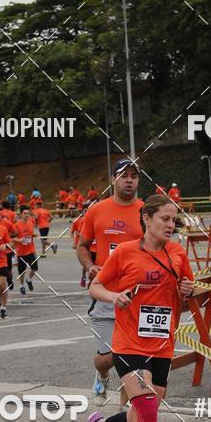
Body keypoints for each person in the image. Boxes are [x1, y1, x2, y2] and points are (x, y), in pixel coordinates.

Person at [84, 194, 195, 422]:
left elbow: (186, 301)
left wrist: (188, 293)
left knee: (140, 417)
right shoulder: (126, 253)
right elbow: (96, 286)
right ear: (146, 219)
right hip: (129, 344)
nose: (171, 225)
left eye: (174, 220)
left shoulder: (178, 254)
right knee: (147, 409)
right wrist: (114, 295)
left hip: (162, 345)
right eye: (165, 218)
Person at [77, 158, 143, 403]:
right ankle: (101, 373)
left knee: (133, 355)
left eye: (134, 176)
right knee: (108, 358)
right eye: (124, 175)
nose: (129, 180)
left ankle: (130, 411)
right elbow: (82, 246)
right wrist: (90, 265)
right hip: (105, 293)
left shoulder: (146, 211)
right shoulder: (97, 210)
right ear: (113, 179)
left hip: (136, 295)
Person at [15, 205, 39, 294]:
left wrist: (33, 235)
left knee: (35, 268)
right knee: (22, 272)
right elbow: (10, 238)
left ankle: (29, 280)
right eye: (25, 213)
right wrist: (19, 240)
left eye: (28, 213)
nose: (27, 215)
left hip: (31, 250)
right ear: (21, 214)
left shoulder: (31, 222)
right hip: (21, 252)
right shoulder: (16, 225)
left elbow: (30, 234)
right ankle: (21, 286)